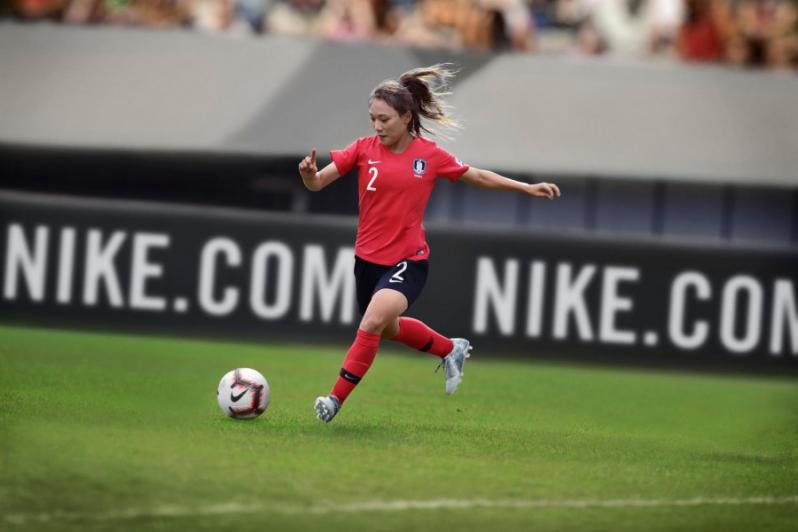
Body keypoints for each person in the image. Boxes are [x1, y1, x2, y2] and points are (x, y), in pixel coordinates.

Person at [298, 64, 561, 423]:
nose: (377, 126)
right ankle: (449, 348)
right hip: (366, 262)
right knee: (386, 328)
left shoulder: (430, 156)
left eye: (385, 119)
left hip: (408, 259)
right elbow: (317, 184)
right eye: (372, 118)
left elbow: (477, 176)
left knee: (373, 321)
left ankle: (333, 401)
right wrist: (309, 176)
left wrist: (524, 188)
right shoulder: (363, 149)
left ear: (407, 117)